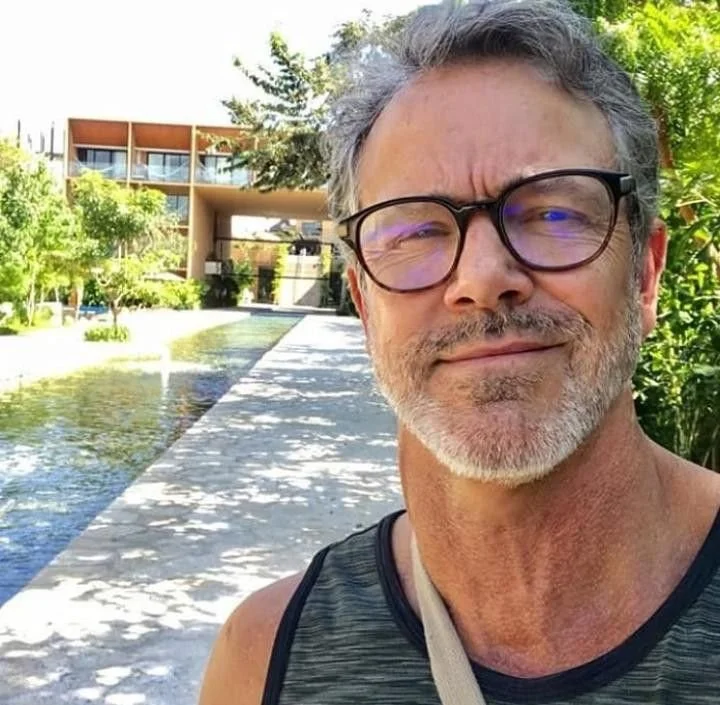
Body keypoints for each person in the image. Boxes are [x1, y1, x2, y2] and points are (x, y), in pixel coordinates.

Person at [199, 1, 720, 703]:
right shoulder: (265, 657)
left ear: (645, 275)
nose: (481, 279)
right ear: (365, 306)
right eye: (415, 231)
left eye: (552, 212)